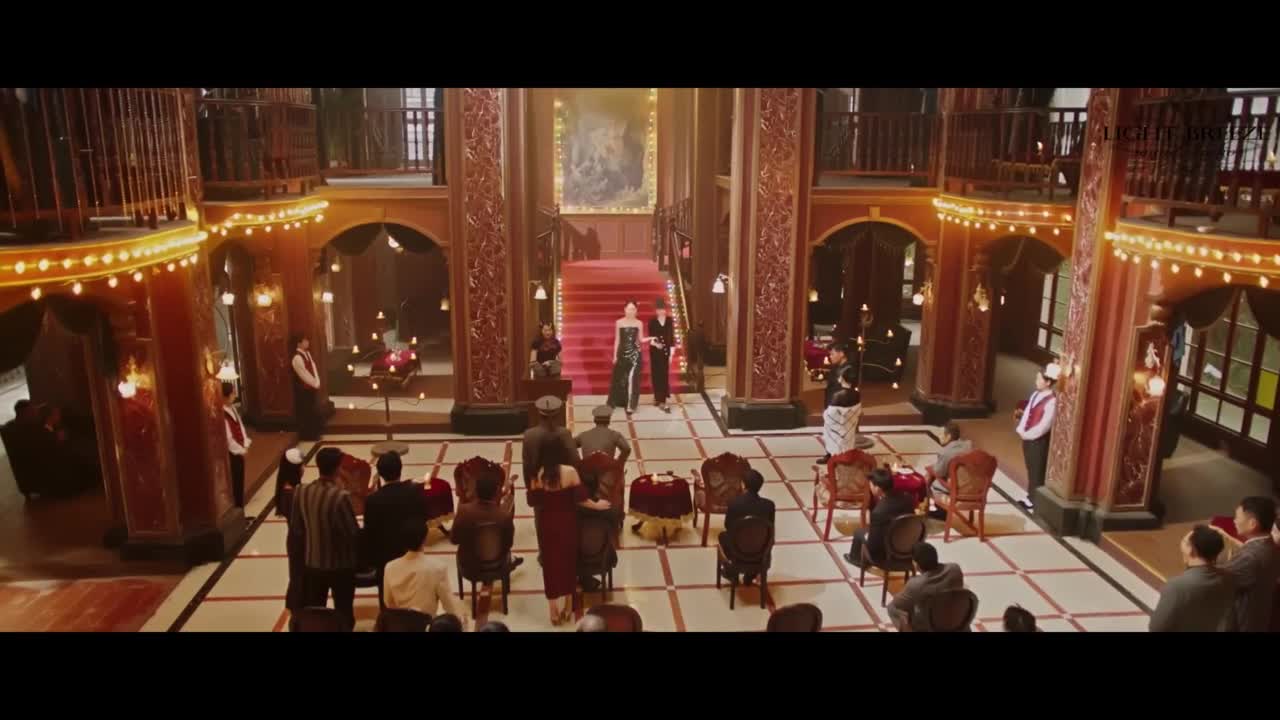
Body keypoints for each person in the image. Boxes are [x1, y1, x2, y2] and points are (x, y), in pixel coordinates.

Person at [527, 433, 612, 625]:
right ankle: (567, 605)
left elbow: (533, 501)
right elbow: (581, 499)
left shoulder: (538, 474)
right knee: (568, 563)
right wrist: (598, 506)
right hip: (567, 523)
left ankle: (553, 611)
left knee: (550, 566)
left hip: (547, 524)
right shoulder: (570, 471)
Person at [290, 447, 361, 631]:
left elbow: (297, 528)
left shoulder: (301, 491)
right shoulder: (340, 497)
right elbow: (352, 533)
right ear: (338, 468)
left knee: (317, 613)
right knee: (344, 612)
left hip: (312, 563)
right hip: (340, 565)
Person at [362, 452, 429, 606]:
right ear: (400, 469)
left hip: (384, 560)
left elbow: (369, 534)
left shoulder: (372, 500)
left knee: (387, 601)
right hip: (411, 554)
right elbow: (422, 521)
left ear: (380, 474)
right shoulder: (414, 493)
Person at [1149, 525, 1234, 632]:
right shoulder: (1229, 579)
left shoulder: (1176, 586)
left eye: (1184, 542)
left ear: (1190, 550)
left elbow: (1157, 627)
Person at [383, 519, 470, 625]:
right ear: (424, 539)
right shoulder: (437, 567)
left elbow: (388, 602)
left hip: (401, 625)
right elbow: (449, 606)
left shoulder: (390, 567)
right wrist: (461, 621)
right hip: (425, 625)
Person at [1217, 496, 1279, 632]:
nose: (1234, 521)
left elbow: (1216, 581)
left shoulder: (1249, 557)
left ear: (1252, 524)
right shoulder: (1270, 545)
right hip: (1259, 619)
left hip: (1240, 624)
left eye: (1237, 517)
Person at [451, 469, 524, 570]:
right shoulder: (504, 516)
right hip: (497, 563)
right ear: (496, 493)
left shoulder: (463, 511)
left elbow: (454, 539)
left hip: (469, 565)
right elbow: (508, 544)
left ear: (475, 491)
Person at [844, 468, 915, 568]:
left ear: (877, 488)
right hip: (907, 549)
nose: (870, 488)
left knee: (859, 532)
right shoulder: (908, 499)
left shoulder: (879, 511)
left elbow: (873, 545)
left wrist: (867, 533)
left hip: (884, 555)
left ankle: (856, 559)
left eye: (871, 485)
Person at [887, 542, 965, 632]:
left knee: (891, 608)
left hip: (930, 625)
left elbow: (897, 604)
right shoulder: (954, 569)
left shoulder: (916, 584)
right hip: (955, 618)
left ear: (916, 564)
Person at [1014, 363, 1059, 510]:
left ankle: (1034, 500)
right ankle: (1030, 495)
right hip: (1027, 438)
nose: (1036, 381)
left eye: (1039, 379)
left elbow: (1044, 426)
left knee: (1037, 470)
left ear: (1048, 382)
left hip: (1038, 441)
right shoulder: (1035, 395)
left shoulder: (1052, 401)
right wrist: (1021, 430)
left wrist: (1028, 435)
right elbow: (1028, 413)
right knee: (1030, 467)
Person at [719, 468, 775, 586]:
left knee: (722, 536)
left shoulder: (734, 503)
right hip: (761, 551)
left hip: (737, 551)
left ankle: (731, 571)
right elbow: (770, 528)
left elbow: (728, 525)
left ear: (743, 485)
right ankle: (751, 574)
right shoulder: (769, 505)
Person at [275, 447, 306, 630]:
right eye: (301, 466)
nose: (303, 469)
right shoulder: (292, 494)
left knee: (297, 577)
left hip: (295, 539)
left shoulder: (288, 490)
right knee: (299, 579)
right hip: (299, 541)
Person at [925, 422, 974, 519]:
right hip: (973, 489)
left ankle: (936, 511)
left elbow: (939, 472)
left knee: (929, 477)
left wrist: (930, 469)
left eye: (941, 434)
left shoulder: (946, 452)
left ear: (948, 437)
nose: (939, 436)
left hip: (956, 489)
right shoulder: (969, 446)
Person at [607, 299, 646, 416]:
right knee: (619, 378)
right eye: (629, 309)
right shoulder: (619, 322)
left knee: (632, 379)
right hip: (622, 353)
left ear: (636, 310)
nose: (631, 311)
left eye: (633, 309)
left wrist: (651, 339)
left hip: (635, 354)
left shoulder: (639, 323)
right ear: (624, 309)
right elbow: (617, 340)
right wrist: (614, 355)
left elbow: (641, 339)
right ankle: (616, 402)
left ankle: (631, 405)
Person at [819, 366, 861, 465]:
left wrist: (825, 414)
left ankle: (832, 455)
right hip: (849, 425)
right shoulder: (857, 394)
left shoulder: (838, 395)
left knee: (830, 430)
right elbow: (857, 410)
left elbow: (830, 414)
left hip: (837, 426)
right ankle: (845, 454)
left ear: (842, 378)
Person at [221, 383, 251, 513]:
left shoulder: (233, 408)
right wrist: (240, 450)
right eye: (233, 393)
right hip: (232, 454)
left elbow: (241, 427)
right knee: (235, 483)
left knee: (240, 482)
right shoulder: (222, 414)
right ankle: (237, 510)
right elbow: (228, 438)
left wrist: (245, 443)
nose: (235, 395)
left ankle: (241, 509)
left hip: (240, 451)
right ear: (225, 396)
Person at [290, 334, 322, 441]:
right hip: (303, 389)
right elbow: (304, 374)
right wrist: (314, 383)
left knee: (312, 411)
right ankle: (307, 435)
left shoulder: (307, 354)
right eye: (305, 341)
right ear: (299, 343)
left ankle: (313, 434)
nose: (307, 342)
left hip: (311, 387)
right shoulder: (297, 357)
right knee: (305, 412)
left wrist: (317, 381)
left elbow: (313, 369)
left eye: (307, 340)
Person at [648, 297, 676, 412]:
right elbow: (651, 338)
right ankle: (657, 397)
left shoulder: (669, 321)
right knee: (656, 374)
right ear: (656, 310)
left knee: (664, 375)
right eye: (659, 309)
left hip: (666, 352)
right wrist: (656, 344)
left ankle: (662, 400)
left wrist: (671, 353)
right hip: (655, 352)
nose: (661, 311)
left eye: (663, 309)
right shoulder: (652, 322)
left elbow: (672, 337)